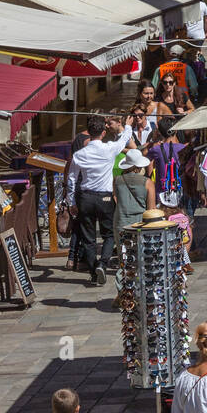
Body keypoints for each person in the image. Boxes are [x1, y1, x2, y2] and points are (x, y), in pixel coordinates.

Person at [66, 115, 135, 285]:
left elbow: (71, 179)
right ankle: (102, 264)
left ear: (89, 133)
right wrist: (127, 126)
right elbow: (125, 138)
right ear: (103, 133)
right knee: (109, 234)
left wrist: (71, 203)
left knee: (88, 237)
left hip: (86, 198)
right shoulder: (109, 148)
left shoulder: (79, 154)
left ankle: (93, 271)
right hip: (104, 197)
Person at [114, 148, 155, 240]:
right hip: (140, 224)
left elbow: (116, 199)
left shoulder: (116, 180)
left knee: (123, 252)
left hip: (121, 222)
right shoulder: (148, 182)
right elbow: (151, 209)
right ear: (139, 167)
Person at [147, 117, 186, 206]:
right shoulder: (183, 148)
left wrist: (153, 140)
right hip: (180, 191)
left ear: (160, 132)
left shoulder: (155, 149)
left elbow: (145, 158)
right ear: (175, 131)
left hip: (161, 193)